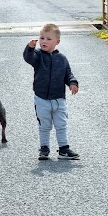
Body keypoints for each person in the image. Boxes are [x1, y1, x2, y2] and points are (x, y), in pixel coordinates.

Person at [23, 23, 79, 160]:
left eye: (48, 39)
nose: (44, 41)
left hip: (59, 99)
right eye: (42, 38)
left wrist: (72, 83)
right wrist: (29, 48)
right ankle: (44, 148)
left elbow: (68, 74)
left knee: (61, 124)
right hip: (41, 99)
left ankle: (64, 149)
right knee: (44, 124)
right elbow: (28, 58)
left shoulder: (62, 59)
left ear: (57, 42)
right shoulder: (37, 56)